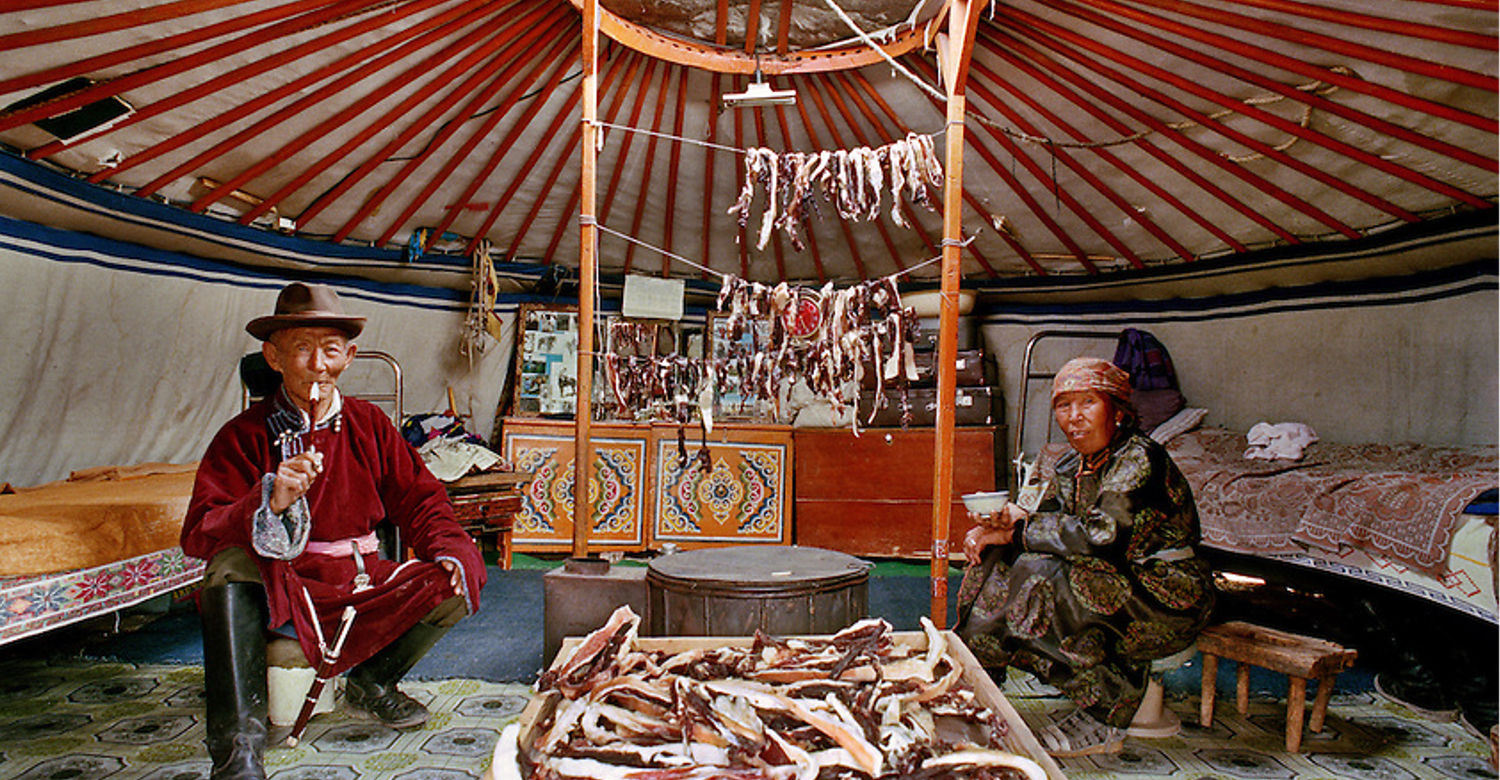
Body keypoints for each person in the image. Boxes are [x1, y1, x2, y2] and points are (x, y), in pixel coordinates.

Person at [182, 282, 487, 780]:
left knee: (452, 577)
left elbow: (419, 497)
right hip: (288, 585)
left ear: (349, 356)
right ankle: (239, 748)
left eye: (329, 350)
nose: (317, 365)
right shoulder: (243, 435)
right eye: (302, 348)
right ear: (273, 357)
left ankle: (373, 682)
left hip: (361, 578)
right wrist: (269, 498)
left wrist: (450, 546)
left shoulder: (369, 424)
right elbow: (200, 529)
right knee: (227, 566)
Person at [955, 356, 1214, 757]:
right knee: (997, 562)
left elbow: (1101, 537)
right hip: (1115, 578)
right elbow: (1052, 522)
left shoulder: (1138, 457)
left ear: (1116, 409)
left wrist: (1021, 531)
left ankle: (1107, 711)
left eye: (1087, 403)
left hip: (1167, 591)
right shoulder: (1072, 464)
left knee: (1045, 577)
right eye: (1063, 405)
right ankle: (982, 678)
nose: (1074, 417)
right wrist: (999, 529)